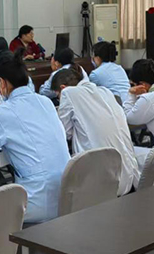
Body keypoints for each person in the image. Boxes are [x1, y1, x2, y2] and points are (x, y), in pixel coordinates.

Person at [0, 50, 69, 223]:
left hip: (37, 200)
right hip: (67, 195)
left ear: (2, 83)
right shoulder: (45, 102)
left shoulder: (1, 113)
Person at [52, 65, 139, 194]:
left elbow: (64, 133)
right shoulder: (105, 91)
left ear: (63, 88)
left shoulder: (68, 93)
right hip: (129, 177)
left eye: (57, 96)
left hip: (103, 183)